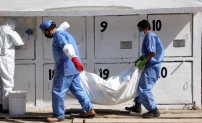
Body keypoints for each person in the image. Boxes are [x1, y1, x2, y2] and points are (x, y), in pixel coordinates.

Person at [40, 20, 96, 122]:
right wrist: (76, 63)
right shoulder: (65, 33)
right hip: (73, 69)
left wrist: (75, 61)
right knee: (78, 90)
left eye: (44, 32)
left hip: (65, 69)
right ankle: (89, 110)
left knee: (58, 91)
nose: (44, 34)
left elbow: (67, 48)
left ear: (48, 30)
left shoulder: (58, 36)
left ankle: (58, 115)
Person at [125, 20, 164, 118]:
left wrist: (142, 62)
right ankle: (137, 106)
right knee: (139, 84)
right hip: (150, 64)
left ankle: (153, 110)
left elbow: (152, 53)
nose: (140, 32)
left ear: (146, 29)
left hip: (152, 66)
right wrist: (141, 59)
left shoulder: (150, 36)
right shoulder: (149, 36)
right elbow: (147, 53)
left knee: (144, 87)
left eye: (140, 30)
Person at [0, 18, 24, 113]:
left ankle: (1, 104)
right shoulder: (9, 31)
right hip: (6, 59)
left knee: (1, 83)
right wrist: (26, 35)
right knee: (8, 82)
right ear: (11, 24)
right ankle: (6, 107)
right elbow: (20, 42)